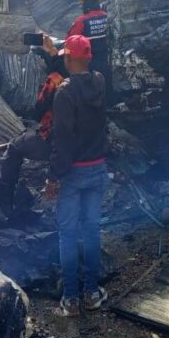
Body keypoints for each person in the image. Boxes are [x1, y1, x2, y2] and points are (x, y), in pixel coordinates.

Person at [43, 34, 109, 317]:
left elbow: (62, 140)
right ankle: (92, 292)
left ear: (69, 58)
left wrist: (54, 177)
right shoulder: (100, 82)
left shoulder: (65, 93)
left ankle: (71, 299)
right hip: (98, 168)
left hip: (73, 172)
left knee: (67, 234)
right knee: (92, 230)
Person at [0, 35, 67, 215]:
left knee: (14, 147)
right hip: (87, 142)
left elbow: (38, 109)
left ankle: (5, 203)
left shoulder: (55, 80)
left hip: (58, 141)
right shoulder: (93, 76)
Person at [67, 0, 111, 101]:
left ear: (86, 2)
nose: (81, 5)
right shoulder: (109, 17)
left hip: (89, 65)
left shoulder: (82, 21)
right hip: (109, 62)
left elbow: (70, 42)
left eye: (82, 2)